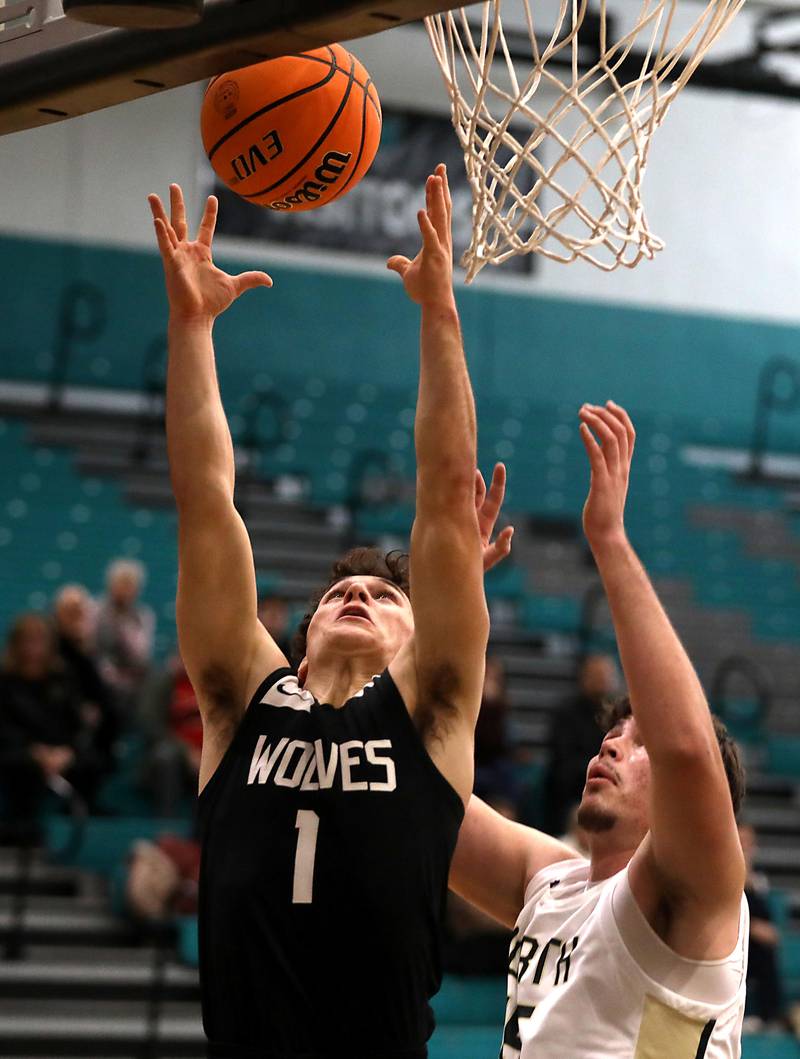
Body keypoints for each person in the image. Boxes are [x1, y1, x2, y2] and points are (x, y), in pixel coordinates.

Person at [147, 166, 513, 1058]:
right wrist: (192, 328)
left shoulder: (429, 713)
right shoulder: (243, 702)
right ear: (302, 634)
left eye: (387, 597)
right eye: (338, 593)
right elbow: (206, 499)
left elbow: (441, 495)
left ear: (417, 640)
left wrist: (440, 315)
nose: (356, 595)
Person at [451, 402, 748, 1057]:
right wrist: (452, 607)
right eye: (615, 732)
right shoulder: (549, 879)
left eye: (637, 741)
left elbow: (688, 749)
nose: (613, 741)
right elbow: (424, 797)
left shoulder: (697, 885)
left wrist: (609, 539)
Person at [0, 613, 106, 830]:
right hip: (21, 751)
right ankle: (20, 827)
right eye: (27, 641)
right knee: (17, 765)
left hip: (60, 751)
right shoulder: (5, 682)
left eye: (39, 641)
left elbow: (75, 724)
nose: (33, 649)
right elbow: (4, 728)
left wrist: (65, 752)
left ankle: (76, 824)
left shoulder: (63, 680)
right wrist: (36, 752)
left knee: (93, 760)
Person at [544, 652, 618, 834]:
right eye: (597, 675)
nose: (602, 680)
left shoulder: (618, 714)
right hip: (572, 792)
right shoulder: (566, 713)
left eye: (605, 675)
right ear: (584, 677)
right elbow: (562, 765)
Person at [738, 821, 788, 1032]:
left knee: (766, 949)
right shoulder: (720, 874)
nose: (747, 847)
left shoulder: (759, 881)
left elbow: (772, 931)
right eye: (742, 842)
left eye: (750, 843)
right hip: (734, 938)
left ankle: (771, 1017)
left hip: (753, 943)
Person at [95, 558, 156, 718]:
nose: (126, 590)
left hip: (134, 684)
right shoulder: (96, 612)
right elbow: (94, 652)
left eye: (130, 585)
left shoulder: (143, 616)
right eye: (122, 584)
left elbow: (142, 654)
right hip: (102, 682)